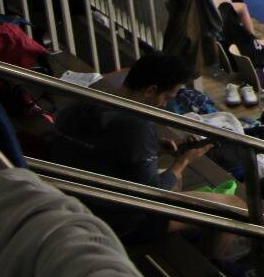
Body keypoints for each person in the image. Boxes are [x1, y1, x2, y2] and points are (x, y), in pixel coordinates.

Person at [51, 53, 214, 245]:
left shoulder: (80, 105)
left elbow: (103, 148)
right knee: (233, 207)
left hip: (68, 202)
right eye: (166, 97)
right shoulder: (137, 126)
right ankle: (214, 265)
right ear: (150, 90)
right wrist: (183, 161)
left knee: (170, 179)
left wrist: (153, 148)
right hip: (114, 223)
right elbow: (153, 193)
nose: (163, 105)